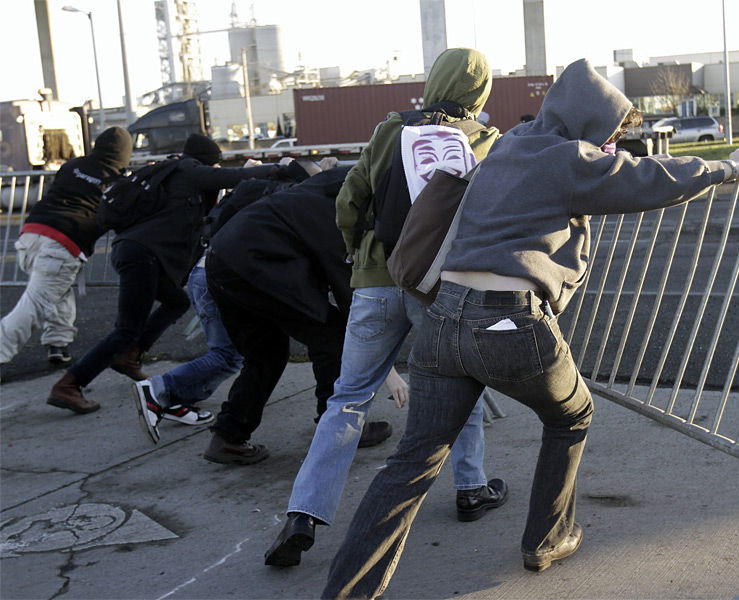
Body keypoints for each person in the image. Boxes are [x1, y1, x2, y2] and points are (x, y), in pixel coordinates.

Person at [321, 58, 739, 599]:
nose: (610, 144)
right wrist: (731, 167)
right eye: (610, 133)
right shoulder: (569, 159)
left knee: (411, 464)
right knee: (572, 413)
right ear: (590, 123)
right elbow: (651, 180)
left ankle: (345, 592)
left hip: (441, 318)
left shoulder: (508, 145)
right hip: (508, 322)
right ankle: (546, 539)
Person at [263, 47, 507, 569]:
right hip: (440, 283)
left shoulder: (392, 128)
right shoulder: (486, 141)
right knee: (457, 384)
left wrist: (358, 251)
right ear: (481, 92)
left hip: (378, 277)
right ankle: (471, 487)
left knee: (347, 398)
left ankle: (304, 513)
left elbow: (349, 200)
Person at [45, 134, 277, 415]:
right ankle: (69, 384)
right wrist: (281, 168)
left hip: (138, 252)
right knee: (126, 330)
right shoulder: (189, 171)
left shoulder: (172, 173)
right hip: (142, 256)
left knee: (176, 301)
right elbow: (234, 176)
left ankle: (130, 355)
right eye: (214, 166)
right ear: (208, 162)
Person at [131, 158, 334, 441]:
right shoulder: (291, 198)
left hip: (212, 269)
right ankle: (159, 389)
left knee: (260, 353)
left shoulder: (255, 189)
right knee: (230, 355)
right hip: (238, 273)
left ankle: (190, 407)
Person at [0, 127, 132, 371]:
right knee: (35, 304)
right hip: (62, 244)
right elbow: (119, 216)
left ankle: (57, 344)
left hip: (30, 235)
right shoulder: (117, 182)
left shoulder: (73, 166)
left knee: (57, 291)